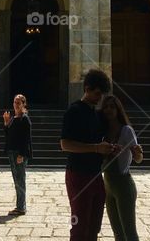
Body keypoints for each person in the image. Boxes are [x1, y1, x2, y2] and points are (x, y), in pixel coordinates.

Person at [60, 68, 113, 241]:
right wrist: (96, 148)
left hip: (96, 175)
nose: (99, 98)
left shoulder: (97, 115)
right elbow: (65, 144)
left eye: (102, 94)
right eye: (97, 93)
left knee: (94, 226)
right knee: (80, 226)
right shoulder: (74, 111)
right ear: (87, 89)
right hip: (78, 175)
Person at [101, 95, 143, 241]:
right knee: (117, 233)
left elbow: (138, 159)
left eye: (112, 106)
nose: (108, 110)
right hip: (108, 185)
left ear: (118, 109)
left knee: (129, 232)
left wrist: (138, 153)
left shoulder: (126, 131)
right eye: (106, 107)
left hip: (124, 184)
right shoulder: (102, 131)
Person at [4, 94, 33, 216]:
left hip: (19, 153)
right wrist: (6, 123)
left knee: (20, 180)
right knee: (17, 180)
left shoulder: (24, 118)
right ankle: (20, 206)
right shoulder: (14, 118)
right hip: (12, 152)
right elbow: (9, 135)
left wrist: (21, 154)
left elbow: (26, 139)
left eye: (19, 102)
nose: (16, 104)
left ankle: (21, 207)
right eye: (15, 102)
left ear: (23, 104)